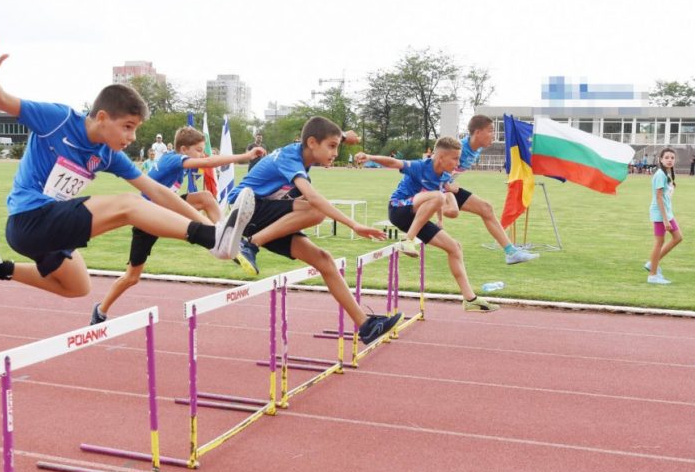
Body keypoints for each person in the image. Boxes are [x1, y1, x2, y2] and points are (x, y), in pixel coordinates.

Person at [0, 38, 255, 303]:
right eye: (128, 127)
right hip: (28, 219)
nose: (132, 137)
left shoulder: (107, 154)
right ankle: (212, 238)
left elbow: (157, 191)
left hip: (48, 230)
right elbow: (1, 100)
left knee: (78, 287)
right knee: (129, 205)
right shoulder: (57, 119)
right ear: (102, 117)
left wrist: (207, 225)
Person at [231, 116, 401, 344]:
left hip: (263, 219)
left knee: (324, 260)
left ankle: (366, 326)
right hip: (245, 209)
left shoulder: (304, 156)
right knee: (315, 210)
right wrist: (354, 225)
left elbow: (327, 133)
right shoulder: (290, 157)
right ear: (312, 143)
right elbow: (312, 197)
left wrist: (344, 136)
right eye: (332, 146)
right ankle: (249, 245)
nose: (335, 153)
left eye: (337, 147)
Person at [90, 126, 266, 323]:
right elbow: (208, 162)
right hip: (146, 219)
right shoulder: (173, 159)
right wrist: (245, 155)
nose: (202, 154)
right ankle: (101, 310)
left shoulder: (175, 161)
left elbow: (201, 167)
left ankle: (221, 235)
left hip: (167, 208)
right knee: (132, 277)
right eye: (198, 150)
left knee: (206, 198)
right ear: (183, 150)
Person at [356, 137, 498, 313]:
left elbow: (437, 196)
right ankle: (407, 241)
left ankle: (470, 299)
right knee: (438, 196)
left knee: (454, 247)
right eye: (455, 158)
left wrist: (441, 219)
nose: (458, 163)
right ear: (440, 157)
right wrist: (369, 156)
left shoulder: (444, 176)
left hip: (417, 216)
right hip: (399, 209)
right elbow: (394, 162)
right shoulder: (420, 166)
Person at [440, 115, 539, 265]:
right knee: (451, 212)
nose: (494, 135)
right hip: (432, 188)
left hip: (445, 188)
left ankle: (511, 252)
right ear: (478, 132)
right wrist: (447, 186)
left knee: (486, 209)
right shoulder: (458, 148)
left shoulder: (477, 149)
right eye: (490, 130)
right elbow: (433, 168)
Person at [645, 148, 682, 284]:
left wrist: (672, 190)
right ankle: (652, 275)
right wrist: (665, 220)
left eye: (672, 157)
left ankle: (652, 263)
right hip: (660, 214)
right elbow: (658, 198)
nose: (670, 160)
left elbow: (665, 196)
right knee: (659, 243)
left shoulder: (666, 174)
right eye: (666, 157)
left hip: (667, 212)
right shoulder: (660, 174)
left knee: (678, 237)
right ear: (661, 159)